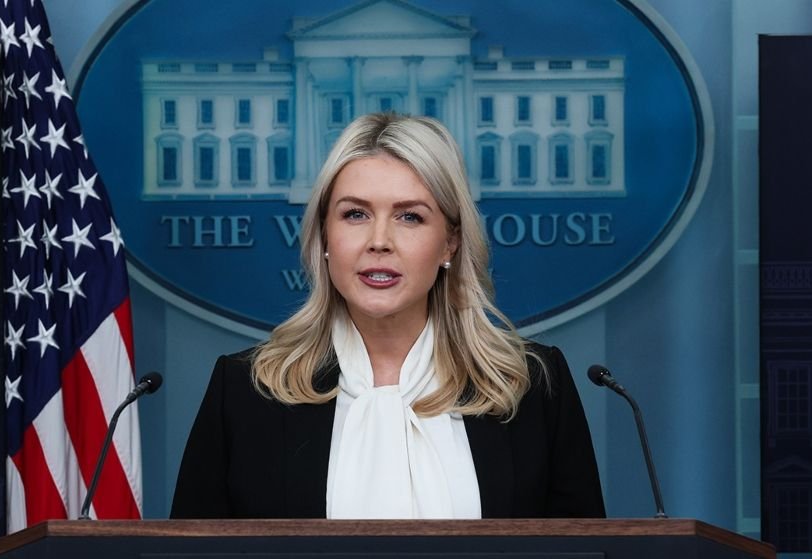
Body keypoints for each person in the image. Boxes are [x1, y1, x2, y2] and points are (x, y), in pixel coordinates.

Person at [170, 113, 605, 519]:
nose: (379, 240)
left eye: (410, 217)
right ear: (325, 235)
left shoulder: (532, 386)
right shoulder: (244, 391)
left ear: (450, 243)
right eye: (355, 214)